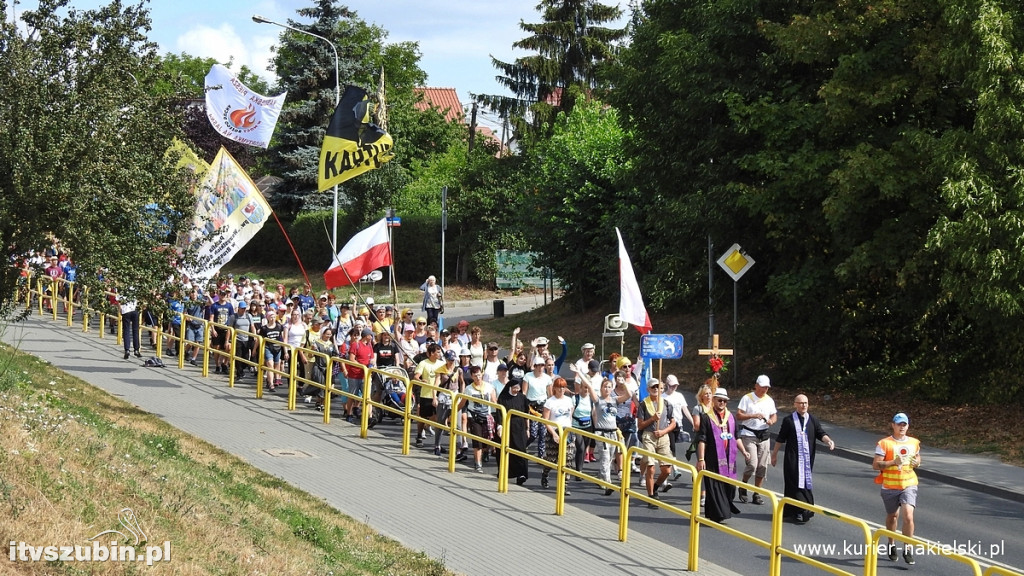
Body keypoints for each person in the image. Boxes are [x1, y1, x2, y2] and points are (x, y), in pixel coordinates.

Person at [770, 394, 835, 524]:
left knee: (805, 483)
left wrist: (829, 441)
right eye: (800, 403)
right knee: (794, 484)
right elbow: (781, 438)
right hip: (792, 459)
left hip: (807, 460)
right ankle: (800, 510)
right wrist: (774, 454)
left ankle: (801, 510)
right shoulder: (789, 420)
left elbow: (820, 433)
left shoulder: (812, 420)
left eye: (805, 403)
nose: (803, 405)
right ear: (795, 404)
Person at [873, 412, 922, 565]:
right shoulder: (884, 443)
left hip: (909, 484)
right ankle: (891, 544)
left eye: (904, 424)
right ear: (893, 425)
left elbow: (918, 457)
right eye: (899, 424)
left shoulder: (914, 442)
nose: (902, 427)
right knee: (893, 517)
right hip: (890, 486)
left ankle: (907, 549)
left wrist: (917, 462)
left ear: (908, 426)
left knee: (908, 516)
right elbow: (876, 465)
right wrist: (893, 462)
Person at [696, 388, 746, 523]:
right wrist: (701, 459)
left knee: (730, 487)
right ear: (714, 400)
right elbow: (702, 439)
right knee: (714, 487)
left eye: (724, 401)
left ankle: (724, 509)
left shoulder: (731, 417)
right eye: (719, 400)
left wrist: (744, 452)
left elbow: (737, 437)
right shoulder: (707, 418)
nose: (722, 402)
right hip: (712, 459)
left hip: (729, 458)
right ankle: (717, 514)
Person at [736, 374, 777, 504]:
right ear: (756, 385)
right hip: (749, 434)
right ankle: (744, 485)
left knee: (762, 466)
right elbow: (738, 415)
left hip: (763, 435)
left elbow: (774, 415)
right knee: (752, 464)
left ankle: (757, 493)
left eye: (766, 387)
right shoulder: (747, 398)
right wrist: (753, 415)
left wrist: (771, 421)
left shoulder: (769, 400)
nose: (764, 390)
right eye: (762, 387)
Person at [638, 378, 677, 506]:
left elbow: (673, 422)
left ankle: (656, 486)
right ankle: (651, 497)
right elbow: (640, 425)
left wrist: (664, 431)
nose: (655, 389)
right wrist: (653, 419)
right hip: (649, 436)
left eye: (658, 387)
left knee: (667, 470)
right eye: (653, 387)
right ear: (648, 389)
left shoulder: (666, 403)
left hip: (663, 436)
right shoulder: (643, 404)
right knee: (651, 467)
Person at [459, 365, 496, 472]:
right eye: (475, 376)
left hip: (486, 416)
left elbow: (494, 402)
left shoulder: (489, 387)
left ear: (482, 374)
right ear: (471, 376)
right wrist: (453, 411)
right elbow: (462, 403)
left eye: (479, 375)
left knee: (487, 439)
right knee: (477, 441)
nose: (478, 377)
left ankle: (485, 452)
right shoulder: (468, 389)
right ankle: (477, 463)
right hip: (474, 417)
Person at [541, 377, 575, 493]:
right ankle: (545, 473)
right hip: (554, 431)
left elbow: (570, 415)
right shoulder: (550, 402)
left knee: (568, 459)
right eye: (559, 387)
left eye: (563, 387)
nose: (561, 389)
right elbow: (545, 420)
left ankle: (564, 485)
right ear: (554, 388)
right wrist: (554, 434)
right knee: (552, 459)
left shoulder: (569, 400)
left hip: (567, 432)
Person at [497, 366, 530, 486]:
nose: (517, 390)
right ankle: (506, 472)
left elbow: (527, 413)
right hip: (508, 427)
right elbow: (500, 413)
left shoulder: (522, 398)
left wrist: (527, 428)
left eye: (518, 388)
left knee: (521, 450)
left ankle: (522, 474)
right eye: (515, 388)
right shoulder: (503, 398)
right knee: (507, 450)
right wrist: (500, 426)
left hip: (520, 426)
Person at [413, 343, 445, 447]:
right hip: (425, 395)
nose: (439, 354)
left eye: (440, 352)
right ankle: (419, 435)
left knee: (437, 419)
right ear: (431, 353)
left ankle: (438, 444)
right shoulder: (423, 363)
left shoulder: (441, 364)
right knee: (423, 417)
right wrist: (421, 380)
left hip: (438, 395)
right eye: (437, 352)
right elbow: (416, 376)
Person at [662, 374, 690, 480]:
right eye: (672, 385)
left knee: (671, 448)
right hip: (667, 425)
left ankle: (668, 465)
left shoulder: (679, 396)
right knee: (671, 447)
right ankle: (675, 468)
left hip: (678, 424)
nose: (674, 388)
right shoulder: (662, 397)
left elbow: (685, 410)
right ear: (667, 385)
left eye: (676, 386)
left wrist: (693, 422)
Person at [258, 310, 285, 391]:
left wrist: (285, 350)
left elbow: (282, 338)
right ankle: (271, 384)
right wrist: (255, 349)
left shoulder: (279, 326)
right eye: (271, 317)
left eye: (274, 317)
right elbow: (260, 339)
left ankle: (270, 380)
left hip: (277, 348)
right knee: (270, 365)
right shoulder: (264, 328)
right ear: (268, 318)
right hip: (268, 348)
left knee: (276, 366)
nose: (272, 318)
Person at [118, 294, 141, 360]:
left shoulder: (122, 288)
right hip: (134, 309)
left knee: (126, 330)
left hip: (126, 311)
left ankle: (127, 350)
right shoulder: (135, 287)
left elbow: (118, 300)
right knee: (135, 330)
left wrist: (120, 309)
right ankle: (136, 349)